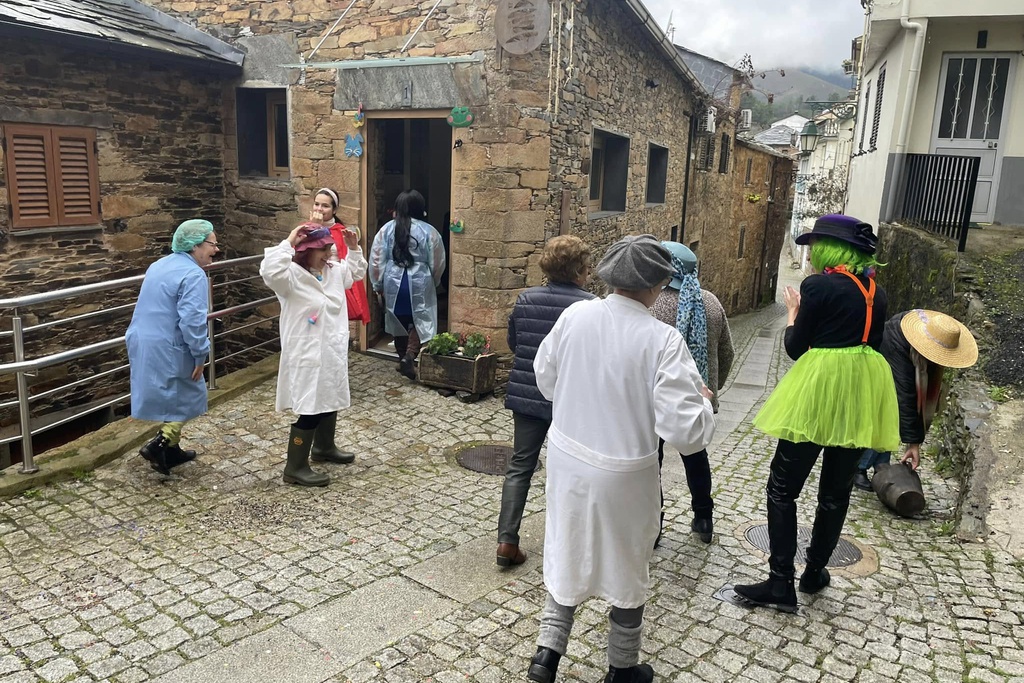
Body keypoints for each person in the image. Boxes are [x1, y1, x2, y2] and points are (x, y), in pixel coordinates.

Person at [527, 235, 716, 683]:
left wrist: (579, 398)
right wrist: (704, 402)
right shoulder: (663, 340)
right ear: (656, 286)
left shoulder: (576, 316)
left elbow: (545, 377)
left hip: (570, 459)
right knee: (628, 564)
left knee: (566, 547)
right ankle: (621, 669)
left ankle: (545, 661)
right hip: (625, 473)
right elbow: (685, 433)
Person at [731, 214, 900, 613]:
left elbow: (795, 347)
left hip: (819, 389)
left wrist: (793, 311)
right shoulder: (878, 292)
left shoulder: (818, 286)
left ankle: (780, 582)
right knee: (835, 492)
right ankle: (815, 572)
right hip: (861, 392)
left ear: (828, 249)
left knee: (782, 488)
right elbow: (871, 342)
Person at [496, 235, 596, 567]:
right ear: (580, 269)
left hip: (528, 394)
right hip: (571, 400)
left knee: (520, 467)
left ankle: (507, 541)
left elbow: (515, 342)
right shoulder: (592, 307)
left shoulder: (526, 299)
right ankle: (570, 546)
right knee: (572, 469)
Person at [260, 221, 367, 486]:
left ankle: (324, 447)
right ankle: (294, 466)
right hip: (305, 352)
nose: (328, 254)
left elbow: (355, 274)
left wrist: (353, 250)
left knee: (329, 396)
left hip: (331, 349)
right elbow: (269, 270)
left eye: (329, 248)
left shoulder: (332, 272)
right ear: (305, 250)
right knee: (310, 408)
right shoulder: (290, 277)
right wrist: (288, 241)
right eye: (321, 249)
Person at [649, 242, 734, 545]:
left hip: (655, 399)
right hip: (695, 398)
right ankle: (704, 518)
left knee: (652, 460)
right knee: (696, 456)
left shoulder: (652, 304)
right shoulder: (711, 303)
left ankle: (655, 524)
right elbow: (727, 352)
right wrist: (711, 392)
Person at [127, 219, 219, 475]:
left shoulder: (160, 264)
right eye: (212, 244)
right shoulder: (193, 274)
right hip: (170, 344)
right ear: (195, 246)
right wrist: (201, 353)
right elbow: (192, 320)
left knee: (174, 395)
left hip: (144, 340)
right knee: (188, 395)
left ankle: (171, 452)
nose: (216, 249)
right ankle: (159, 444)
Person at [854, 309, 978, 490]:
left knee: (888, 414)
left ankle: (880, 463)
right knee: (886, 412)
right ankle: (859, 466)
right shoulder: (898, 346)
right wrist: (913, 443)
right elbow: (905, 397)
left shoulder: (926, 331)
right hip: (882, 365)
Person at [369, 190, 446, 380]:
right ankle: (410, 356)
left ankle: (402, 358)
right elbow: (437, 262)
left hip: (393, 282)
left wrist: (377, 284)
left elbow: (377, 259)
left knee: (398, 321)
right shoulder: (429, 232)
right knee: (420, 320)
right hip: (420, 281)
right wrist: (433, 282)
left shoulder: (386, 229)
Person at [309, 187, 371, 325]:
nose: (319, 209)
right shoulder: (304, 229)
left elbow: (355, 272)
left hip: (334, 286)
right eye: (316, 204)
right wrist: (313, 228)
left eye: (325, 206)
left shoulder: (341, 232)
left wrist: (354, 248)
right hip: (310, 287)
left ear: (334, 210)